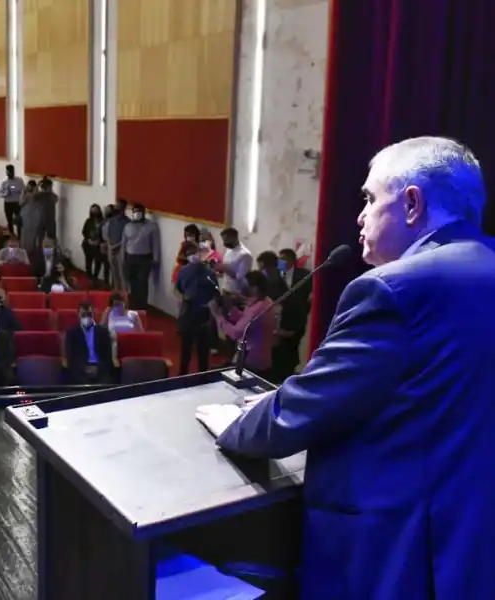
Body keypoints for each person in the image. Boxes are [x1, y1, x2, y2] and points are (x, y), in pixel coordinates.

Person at [211, 137, 495, 599]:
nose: (360, 216)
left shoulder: (391, 290)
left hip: (394, 555)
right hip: (471, 544)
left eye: (369, 198)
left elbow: (303, 411)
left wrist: (235, 423)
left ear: (412, 204)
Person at [210, 271, 275, 377]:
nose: (242, 288)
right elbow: (247, 320)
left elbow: (236, 332)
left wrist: (217, 315)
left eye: (246, 285)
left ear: (255, 288)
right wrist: (231, 308)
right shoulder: (266, 301)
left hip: (251, 360)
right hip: (262, 357)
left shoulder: (256, 309)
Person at [174, 243, 220, 375]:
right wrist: (182, 298)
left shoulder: (209, 273)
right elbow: (177, 289)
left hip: (203, 314)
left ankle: (203, 375)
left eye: (195, 253)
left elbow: (216, 293)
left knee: (202, 349)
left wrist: (212, 308)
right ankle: (182, 374)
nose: (193, 256)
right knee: (186, 348)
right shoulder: (183, 271)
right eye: (190, 254)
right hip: (187, 312)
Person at [273, 247, 310, 378]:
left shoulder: (304, 275)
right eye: (279, 259)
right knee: (279, 351)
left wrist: (303, 311)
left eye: (283, 259)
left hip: (297, 319)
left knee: (292, 348)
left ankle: (290, 373)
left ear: (292, 260)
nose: (280, 262)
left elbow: (308, 297)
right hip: (279, 318)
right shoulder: (275, 275)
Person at [121, 203, 161, 310]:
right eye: (135, 212)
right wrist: (122, 258)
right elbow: (124, 243)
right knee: (132, 281)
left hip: (144, 258)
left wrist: (156, 259)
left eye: (139, 212)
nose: (137, 214)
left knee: (142, 282)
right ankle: (134, 304)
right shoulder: (128, 226)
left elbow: (155, 243)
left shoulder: (151, 226)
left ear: (143, 213)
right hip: (130, 257)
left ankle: (142, 306)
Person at [64, 302, 112, 384]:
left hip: (100, 369)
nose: (87, 317)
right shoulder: (72, 333)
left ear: (93, 314)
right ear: (78, 315)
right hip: (81, 370)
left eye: (89, 314)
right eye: (83, 314)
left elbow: (107, 355)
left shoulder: (103, 332)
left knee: (106, 382)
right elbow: (71, 356)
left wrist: (98, 368)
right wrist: (84, 369)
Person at [215, 227, 252, 296]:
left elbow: (241, 278)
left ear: (234, 238)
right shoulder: (229, 249)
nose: (224, 243)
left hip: (236, 293)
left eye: (226, 240)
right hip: (225, 287)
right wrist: (221, 273)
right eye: (223, 240)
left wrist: (225, 269)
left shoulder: (245, 254)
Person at [102, 199, 129, 291]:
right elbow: (108, 233)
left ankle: (125, 294)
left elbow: (126, 237)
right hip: (111, 249)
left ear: (124, 208)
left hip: (121, 250)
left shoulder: (127, 222)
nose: (116, 208)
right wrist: (109, 244)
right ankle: (117, 292)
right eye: (116, 205)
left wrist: (117, 245)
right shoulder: (112, 220)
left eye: (119, 206)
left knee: (122, 274)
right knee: (114, 273)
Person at [81, 204, 105, 282]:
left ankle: (95, 278)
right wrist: (88, 239)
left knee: (98, 263)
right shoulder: (89, 221)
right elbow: (84, 232)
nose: (94, 211)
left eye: (96, 210)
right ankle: (89, 277)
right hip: (88, 245)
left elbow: (106, 234)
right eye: (93, 210)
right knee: (88, 262)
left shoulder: (103, 221)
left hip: (98, 245)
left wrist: (99, 241)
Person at [0, 164, 24, 235]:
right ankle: (11, 235)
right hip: (7, 203)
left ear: (13, 171)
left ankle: (20, 236)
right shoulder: (4, 182)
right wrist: (5, 194)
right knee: (9, 221)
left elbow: (23, 191)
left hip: (16, 203)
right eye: (8, 171)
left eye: (10, 171)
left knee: (19, 220)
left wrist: (17, 193)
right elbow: (0, 194)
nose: (9, 173)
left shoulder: (19, 181)